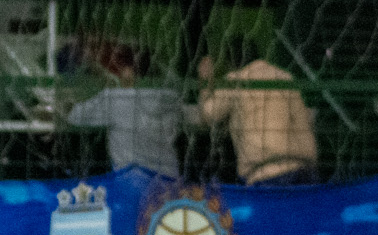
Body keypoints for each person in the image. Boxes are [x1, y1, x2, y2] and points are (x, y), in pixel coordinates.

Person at [195, 46, 318, 185]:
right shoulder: (285, 77)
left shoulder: (235, 80)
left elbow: (208, 115)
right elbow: (304, 123)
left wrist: (205, 82)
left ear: (231, 64)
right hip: (302, 169)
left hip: (263, 174)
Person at [66, 44, 185, 178]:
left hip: (131, 181)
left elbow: (74, 117)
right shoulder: (171, 98)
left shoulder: (117, 98)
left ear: (129, 71)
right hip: (169, 179)